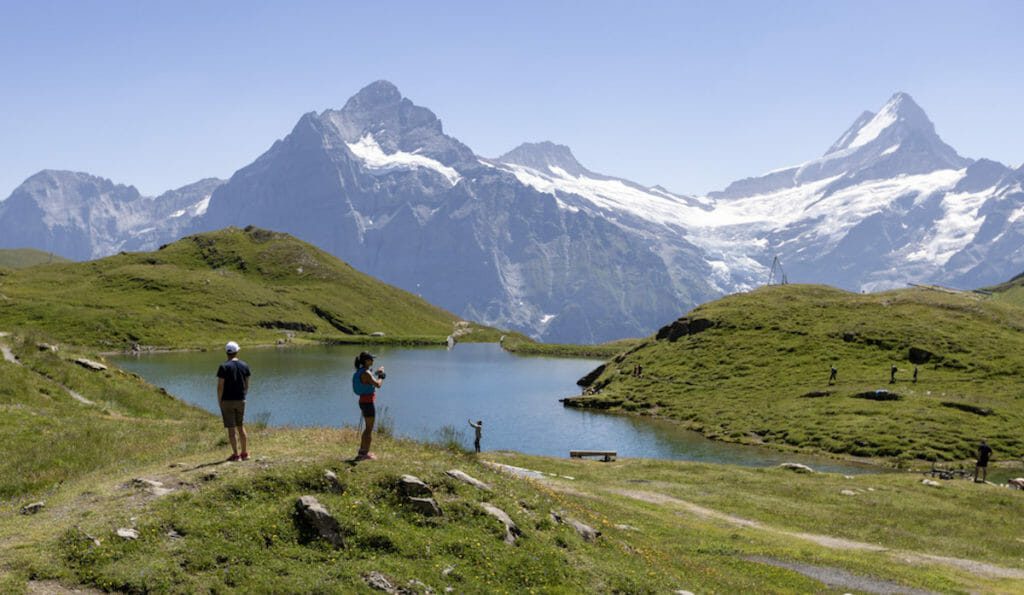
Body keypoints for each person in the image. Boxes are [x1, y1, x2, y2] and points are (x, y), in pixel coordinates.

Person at [217, 341, 251, 462]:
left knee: (231, 428)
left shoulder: (223, 367)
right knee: (240, 426)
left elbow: (220, 386)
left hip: (227, 401)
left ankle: (236, 455)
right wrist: (243, 395)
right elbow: (247, 384)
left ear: (227, 352)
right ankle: (245, 453)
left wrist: (220, 401)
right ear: (237, 351)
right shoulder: (244, 365)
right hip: (241, 399)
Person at [352, 351, 385, 460]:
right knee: (369, 429)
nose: (373, 361)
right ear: (366, 361)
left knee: (367, 428)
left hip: (363, 401)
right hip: (368, 403)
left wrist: (375, 373)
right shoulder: (366, 373)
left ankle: (362, 451)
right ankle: (365, 454)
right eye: (371, 359)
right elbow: (378, 385)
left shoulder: (361, 371)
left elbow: (368, 379)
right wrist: (381, 376)